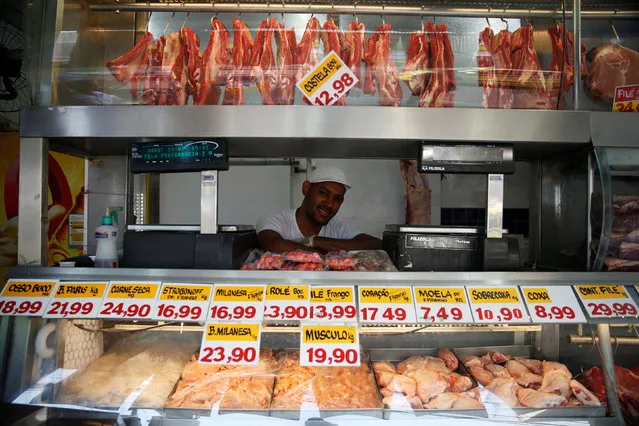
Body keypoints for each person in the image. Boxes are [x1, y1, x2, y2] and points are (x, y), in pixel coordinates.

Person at [257, 166, 382, 253]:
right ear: (306, 189)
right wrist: (329, 255)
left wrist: (314, 241)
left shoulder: (338, 228)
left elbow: (376, 244)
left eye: (337, 199)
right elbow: (273, 245)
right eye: (323, 193)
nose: (329, 204)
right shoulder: (276, 220)